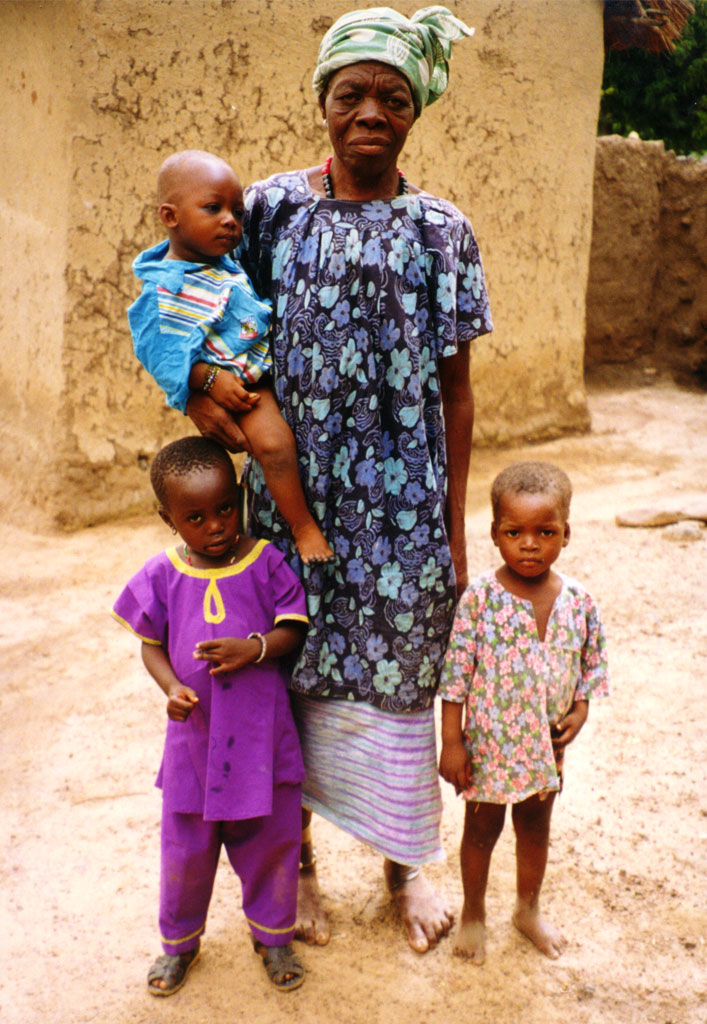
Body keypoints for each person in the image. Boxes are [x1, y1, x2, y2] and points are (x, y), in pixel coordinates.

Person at [186, 6, 493, 953]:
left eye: (391, 98)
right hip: (291, 508)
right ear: (322, 104)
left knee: (400, 681)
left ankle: (404, 873)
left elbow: (456, 394)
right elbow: (186, 301)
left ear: (414, 114)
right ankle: (303, 867)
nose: (369, 110)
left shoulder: (442, 229)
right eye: (350, 93)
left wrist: (449, 530)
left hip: (401, 513)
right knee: (289, 677)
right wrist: (200, 388)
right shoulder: (270, 210)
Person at [112, 436, 309, 994]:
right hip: (193, 747)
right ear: (168, 518)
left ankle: (274, 938)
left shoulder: (265, 561)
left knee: (272, 843)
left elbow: (294, 627)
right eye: (195, 517)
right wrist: (171, 687)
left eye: (225, 508)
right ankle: (179, 946)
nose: (217, 525)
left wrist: (256, 648)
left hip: (261, 743)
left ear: (240, 496)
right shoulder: (162, 575)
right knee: (185, 853)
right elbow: (149, 642)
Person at [438, 461, 610, 964]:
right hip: (488, 751)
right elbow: (455, 679)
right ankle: (473, 912)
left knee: (535, 828)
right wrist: (452, 743)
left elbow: (590, 665)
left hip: (543, 752)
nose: (530, 544)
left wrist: (579, 712)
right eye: (515, 532)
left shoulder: (580, 602)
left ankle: (527, 908)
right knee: (481, 830)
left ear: (566, 533)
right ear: (495, 534)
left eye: (545, 532)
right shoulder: (479, 601)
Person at [128, 149, 333, 564]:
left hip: (257, 373)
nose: (230, 221)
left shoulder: (220, 263)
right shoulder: (165, 288)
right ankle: (303, 526)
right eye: (212, 208)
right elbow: (157, 353)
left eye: (237, 212)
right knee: (274, 447)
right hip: (238, 389)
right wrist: (206, 380)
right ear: (171, 217)